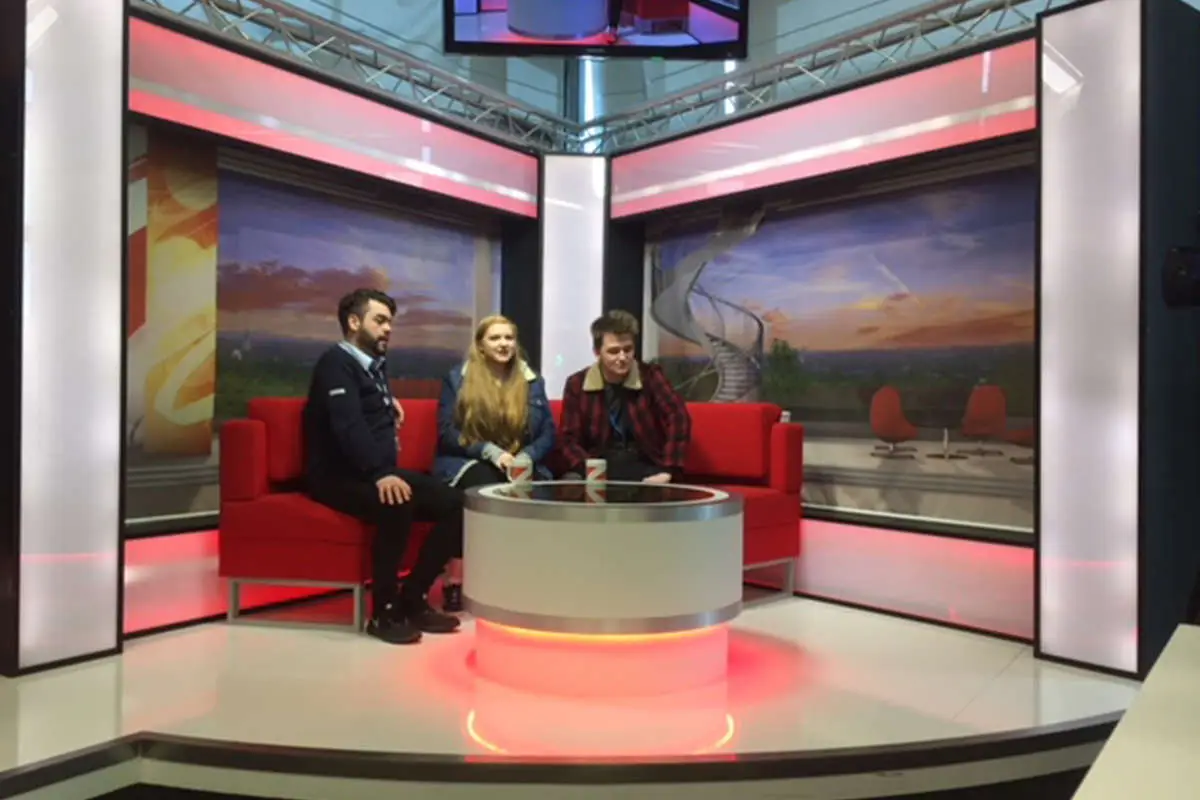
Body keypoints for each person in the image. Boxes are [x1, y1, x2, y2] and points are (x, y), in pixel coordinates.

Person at [303, 288, 462, 646]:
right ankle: (384, 611)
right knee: (397, 500)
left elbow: (366, 406)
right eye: (380, 320)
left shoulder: (372, 364)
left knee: (456, 504)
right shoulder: (335, 363)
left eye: (390, 321)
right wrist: (380, 473)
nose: (388, 328)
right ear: (354, 322)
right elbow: (348, 426)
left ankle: (414, 597)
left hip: (368, 471)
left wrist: (388, 402)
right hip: (336, 476)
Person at [434, 315, 556, 611]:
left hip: (519, 461)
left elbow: (548, 431)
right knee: (483, 488)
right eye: (495, 338)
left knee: (538, 492)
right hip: (468, 459)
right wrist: (489, 451)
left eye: (509, 338)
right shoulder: (456, 378)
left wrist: (527, 456)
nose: (504, 344)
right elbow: (447, 433)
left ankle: (521, 579)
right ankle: (457, 580)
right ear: (480, 345)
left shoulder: (532, 380)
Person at [557, 310, 691, 483]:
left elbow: (678, 417)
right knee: (570, 484)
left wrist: (668, 469)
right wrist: (588, 469)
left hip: (644, 463)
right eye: (613, 351)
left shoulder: (650, 376)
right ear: (597, 352)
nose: (623, 357)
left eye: (628, 349)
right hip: (596, 464)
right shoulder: (577, 384)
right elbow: (567, 439)